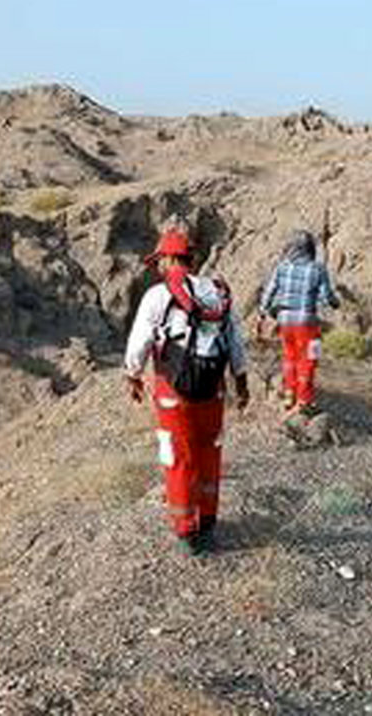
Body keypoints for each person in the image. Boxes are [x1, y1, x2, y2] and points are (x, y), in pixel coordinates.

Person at [124, 224, 250, 556]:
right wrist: (241, 382)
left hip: (173, 391)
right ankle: (208, 522)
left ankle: (186, 530)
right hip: (214, 388)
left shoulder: (158, 295)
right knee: (209, 452)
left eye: (159, 261)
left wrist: (132, 374)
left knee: (177, 457)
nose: (158, 267)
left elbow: (139, 342)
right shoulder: (216, 292)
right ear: (191, 259)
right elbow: (235, 342)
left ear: (167, 259)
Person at [258, 229, 340, 415]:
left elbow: (269, 292)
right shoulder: (318, 268)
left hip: (285, 322)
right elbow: (328, 297)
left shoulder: (282, 267)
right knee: (309, 359)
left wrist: (262, 313)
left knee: (289, 357)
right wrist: (336, 303)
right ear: (310, 248)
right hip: (308, 323)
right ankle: (304, 400)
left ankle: (289, 394)